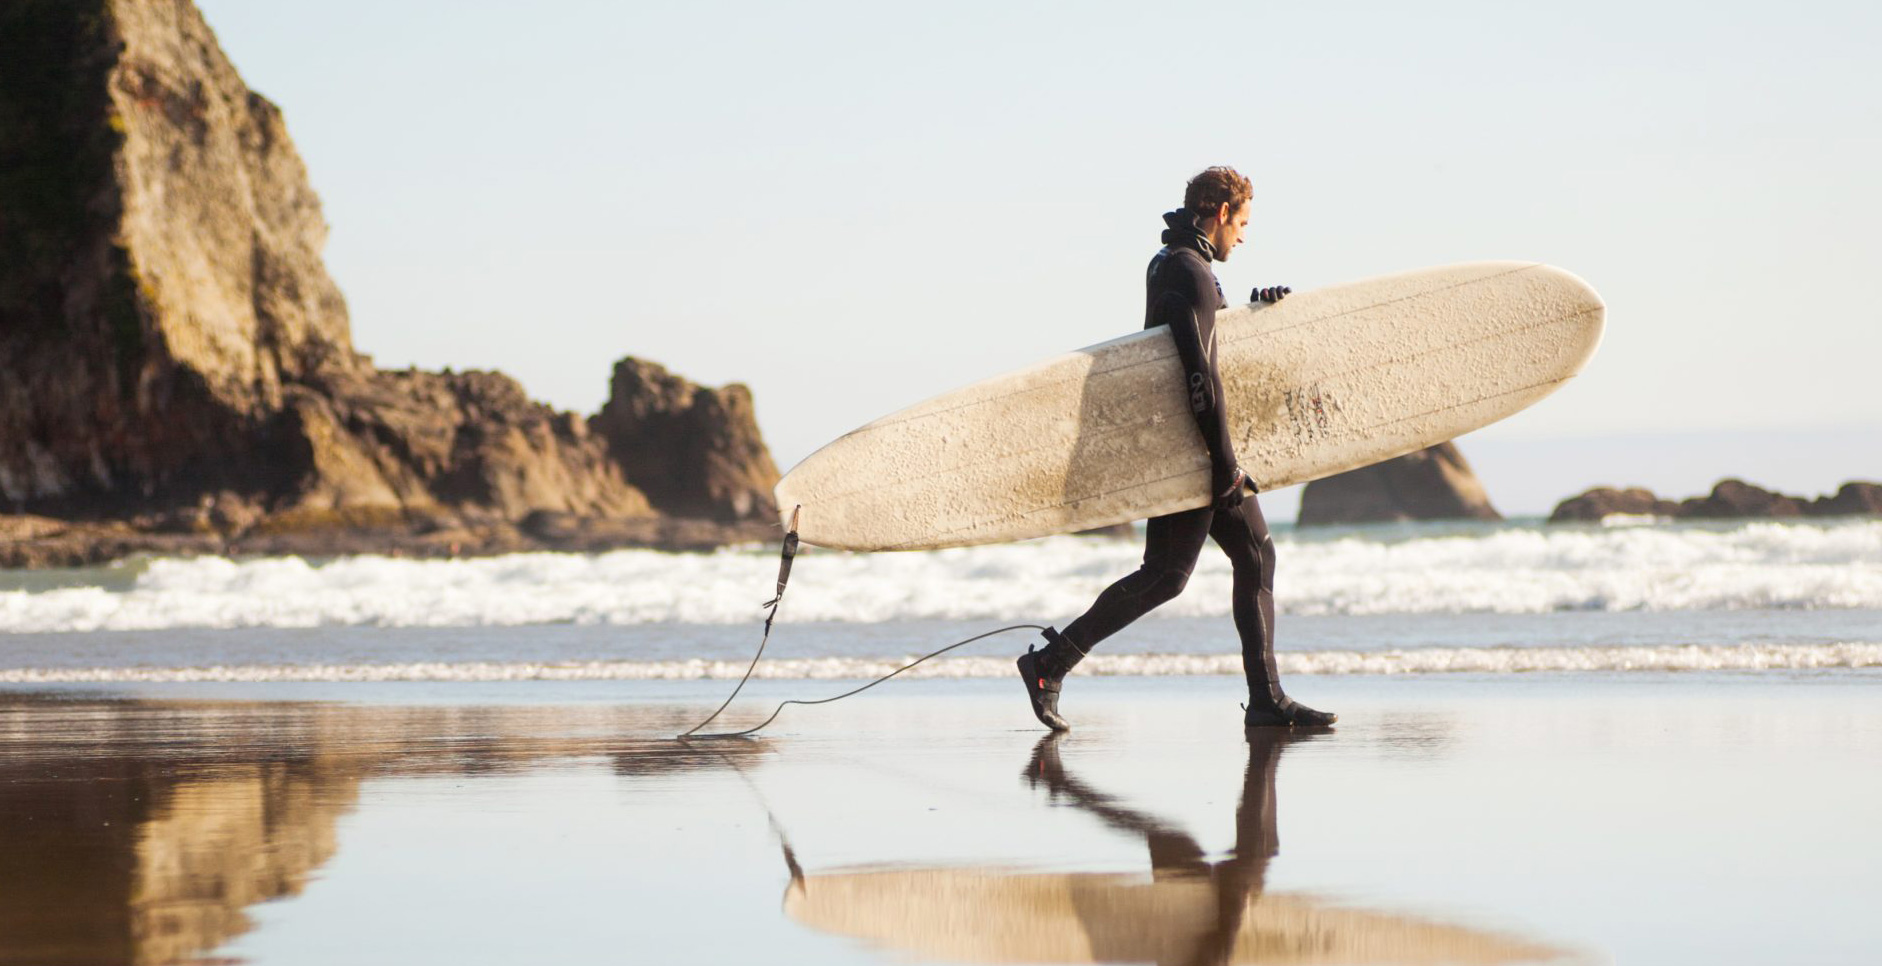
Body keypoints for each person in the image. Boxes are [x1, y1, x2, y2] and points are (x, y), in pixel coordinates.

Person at [1018, 166, 1336, 731]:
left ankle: (1265, 698)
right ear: (1221, 213)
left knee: (1229, 561)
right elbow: (1200, 376)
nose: (1244, 236)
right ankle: (1051, 663)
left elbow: (1205, 347)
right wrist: (1224, 465)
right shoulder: (1190, 271)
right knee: (1189, 569)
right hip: (1196, 448)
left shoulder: (1171, 263)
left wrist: (1254, 317)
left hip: (1185, 443)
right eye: (1242, 223)